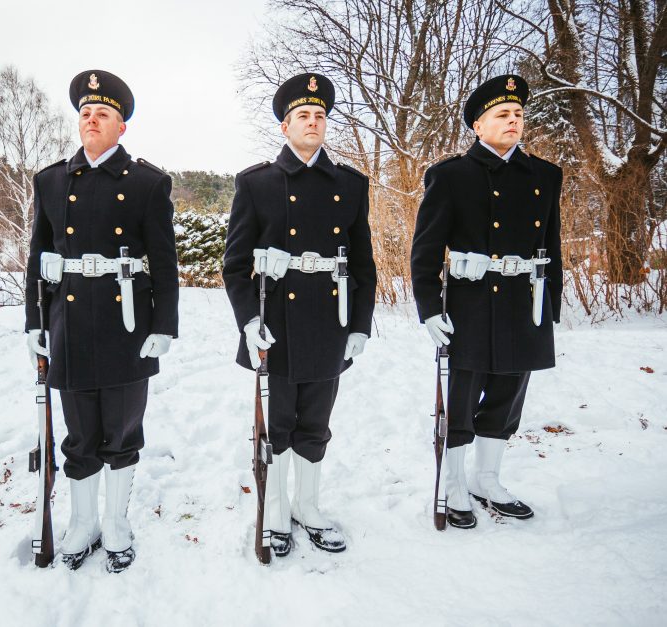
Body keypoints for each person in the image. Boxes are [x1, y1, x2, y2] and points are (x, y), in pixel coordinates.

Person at [24, 69, 179, 573]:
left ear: (122, 127)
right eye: (85, 114)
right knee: (78, 432)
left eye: (103, 114)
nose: (92, 120)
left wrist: (164, 325)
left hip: (126, 323)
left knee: (122, 430)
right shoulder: (50, 180)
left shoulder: (148, 183)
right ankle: (82, 522)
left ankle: (115, 522)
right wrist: (34, 323)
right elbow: (36, 258)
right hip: (67, 320)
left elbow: (164, 259)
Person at [223, 73, 377, 557]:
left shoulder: (350, 184)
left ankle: (308, 507)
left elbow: (364, 261)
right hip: (276, 324)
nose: (313, 122)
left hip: (330, 322)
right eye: (303, 116)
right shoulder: (257, 183)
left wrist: (359, 325)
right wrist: (249, 322)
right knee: (279, 425)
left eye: (320, 116)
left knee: (316, 422)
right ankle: (277, 509)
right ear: (285, 126)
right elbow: (233, 264)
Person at [411, 74, 562, 529]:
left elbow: (551, 245)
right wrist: (429, 307)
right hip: (470, 305)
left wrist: (550, 306)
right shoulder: (451, 175)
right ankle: (454, 482)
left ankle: (487, 479)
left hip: (524, 303)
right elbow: (425, 247)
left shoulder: (545, 175)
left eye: (518, 114)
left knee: (507, 395)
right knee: (461, 398)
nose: (513, 120)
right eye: (502, 114)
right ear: (479, 125)